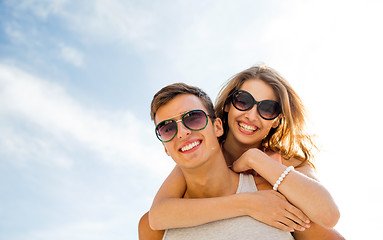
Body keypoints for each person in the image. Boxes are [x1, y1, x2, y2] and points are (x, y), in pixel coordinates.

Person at [139, 65, 344, 239]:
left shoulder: (283, 166)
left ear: (276, 121)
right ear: (228, 104)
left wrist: (257, 159)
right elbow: (157, 216)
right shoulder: (199, 150)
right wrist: (248, 203)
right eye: (243, 101)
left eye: (267, 109)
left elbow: (328, 214)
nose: (251, 115)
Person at [143, 82, 295, 239]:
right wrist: (246, 204)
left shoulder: (276, 194)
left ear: (218, 127)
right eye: (167, 129)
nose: (182, 133)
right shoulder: (154, 229)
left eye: (193, 118)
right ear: (165, 148)